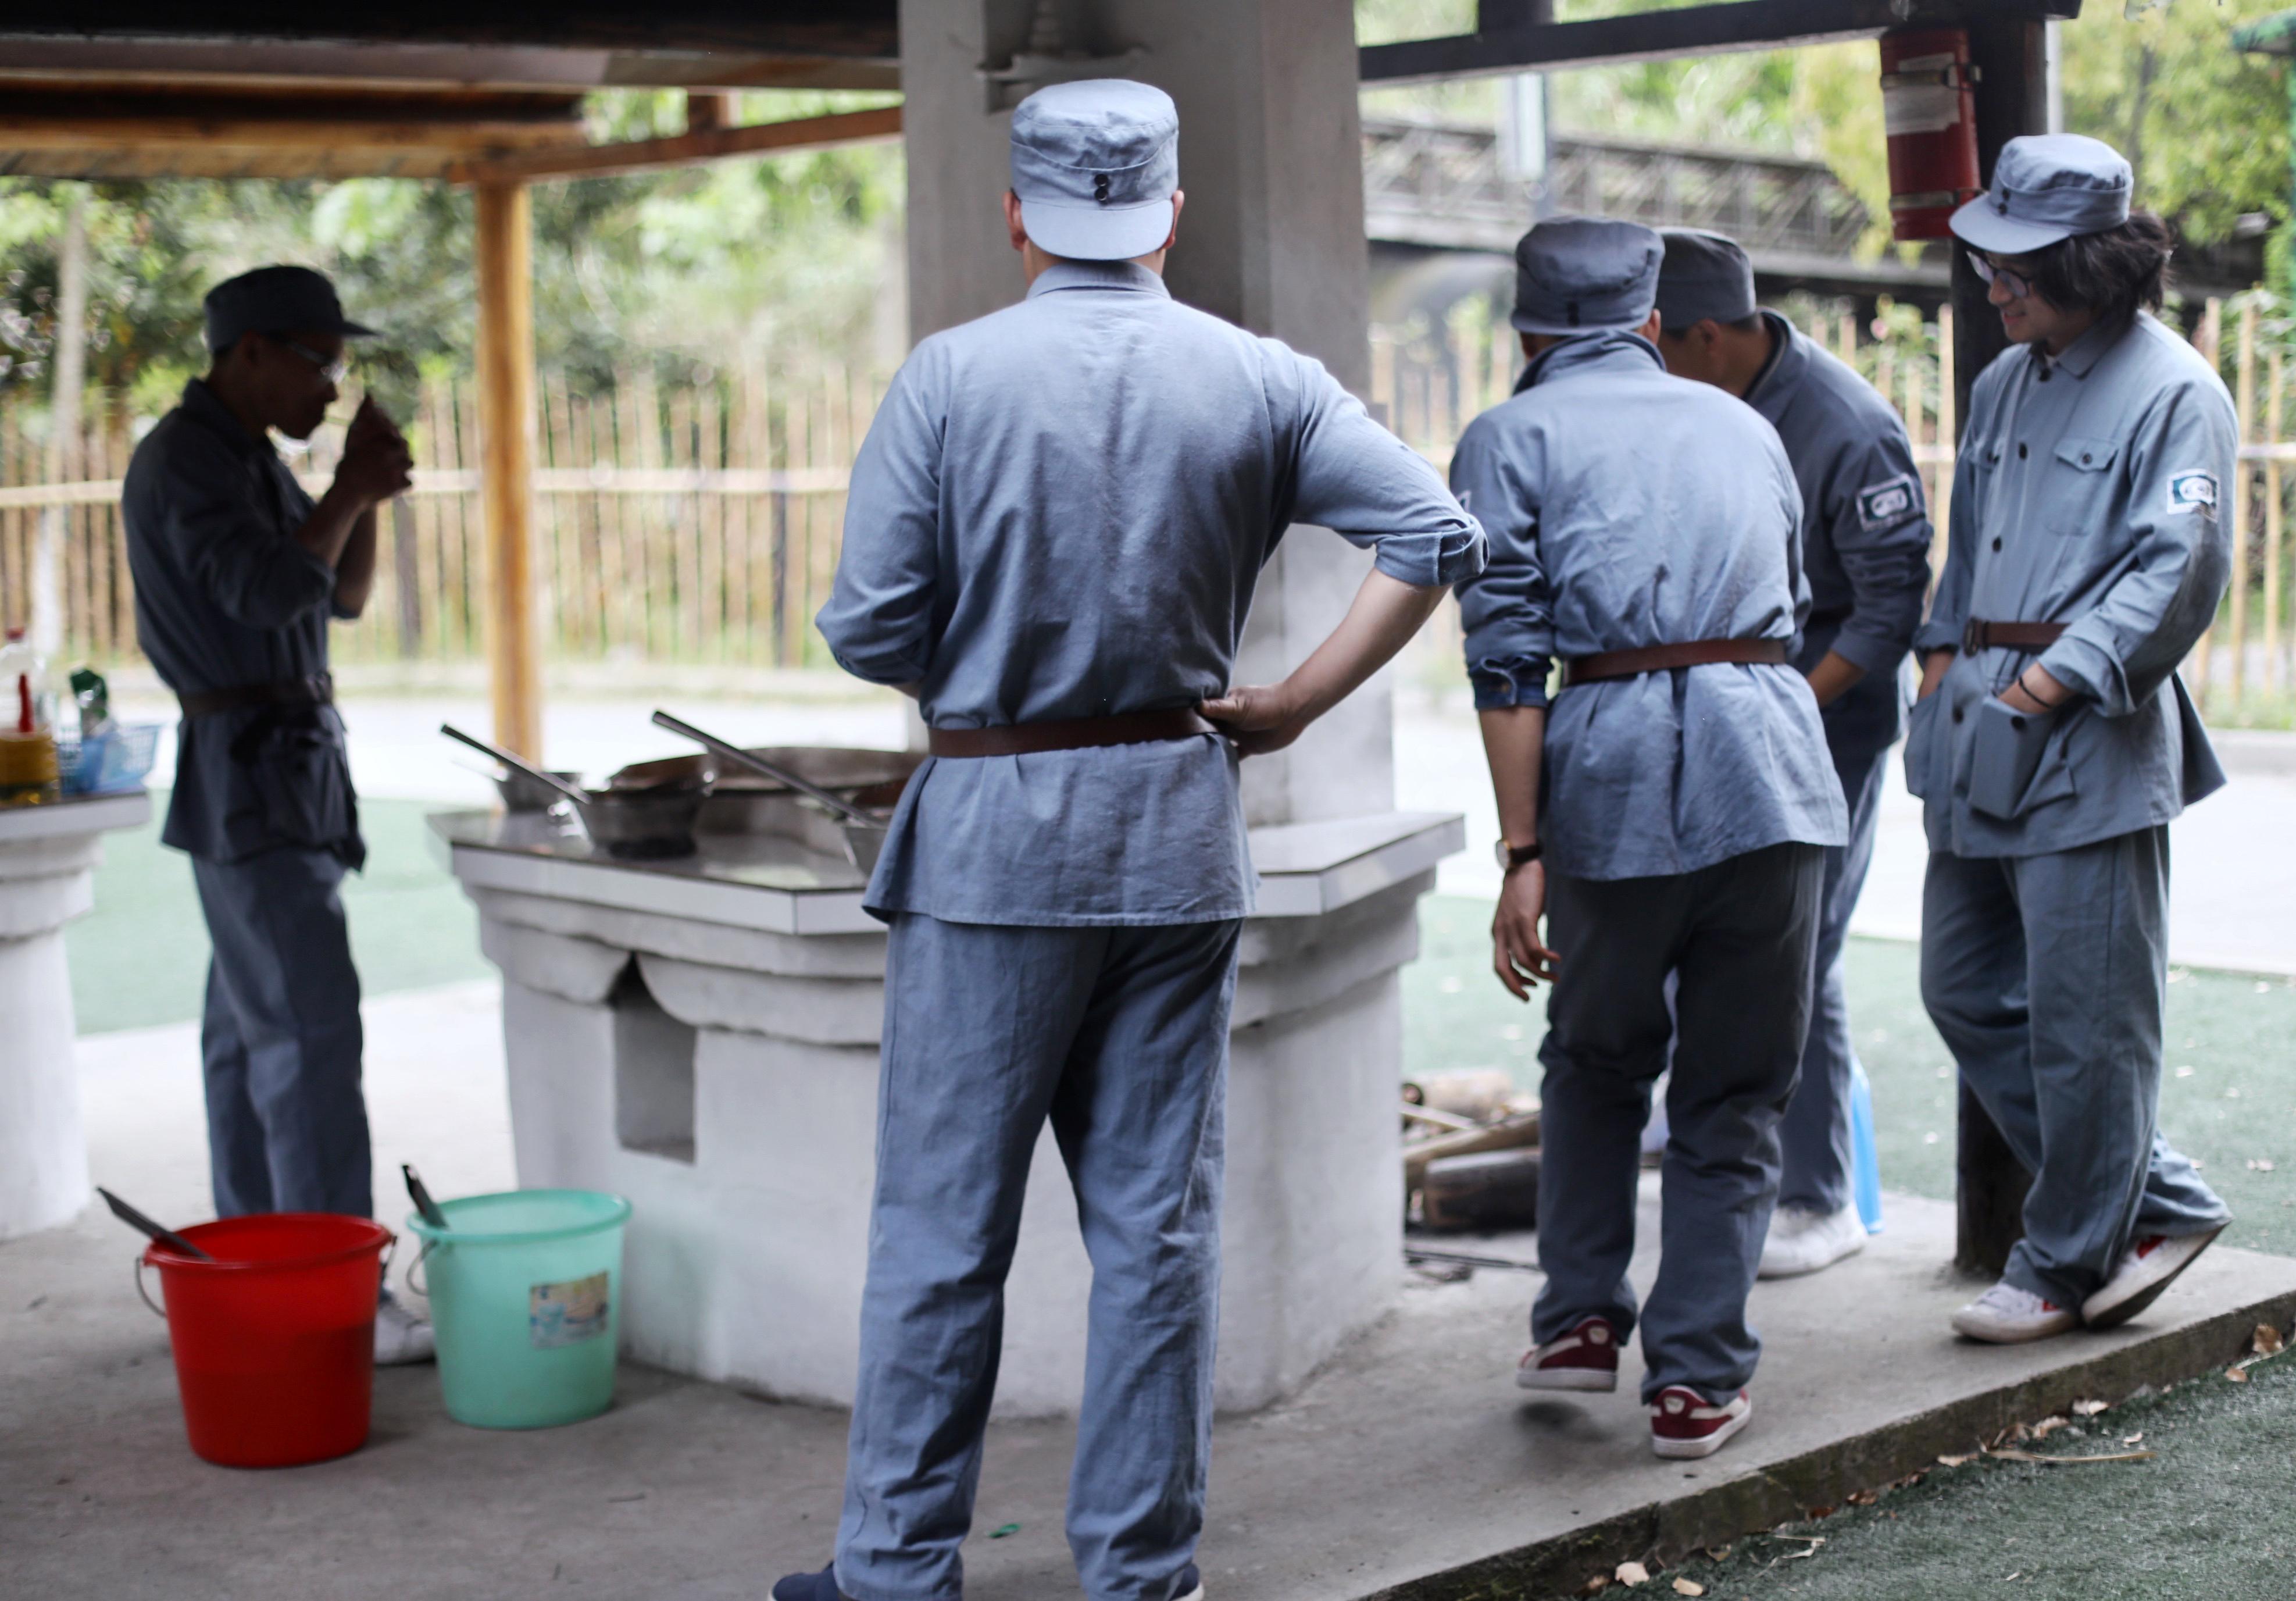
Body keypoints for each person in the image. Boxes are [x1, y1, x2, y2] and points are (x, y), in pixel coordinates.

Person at [782, 80, 1482, 1601]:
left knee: (943, 1235)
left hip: (992, 852)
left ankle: (895, 1572)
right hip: (1175, 841)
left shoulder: (949, 379)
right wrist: (1289, 702)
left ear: (1018, 218)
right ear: (1168, 213)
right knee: (1155, 1238)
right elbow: (1437, 535)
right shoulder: (1262, 376)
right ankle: (1141, 1576)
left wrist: (997, 658)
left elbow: (869, 630)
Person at [1454, 216, 1846, 1460]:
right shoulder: (1743, 424)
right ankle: (1696, 1380)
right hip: (1773, 771)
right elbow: (1792, 598)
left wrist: (1522, 854)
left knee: (1595, 1057)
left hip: (1609, 771)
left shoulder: (1506, 437)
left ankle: (1578, 1317)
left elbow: (1506, 661)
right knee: (1736, 1091)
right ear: (1648, 321)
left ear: (1526, 331)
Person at [1908, 133, 2234, 1344]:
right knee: (1960, 985)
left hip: (2087, 730)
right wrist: (1940, 664)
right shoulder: (2005, 381)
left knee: (2088, 1021)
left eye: (2016, 267)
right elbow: (1970, 538)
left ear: (2090, 268)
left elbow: (2178, 570)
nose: (1991, 285)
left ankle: (2060, 1258)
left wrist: (2044, 689)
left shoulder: (2176, 391)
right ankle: (2162, 1199)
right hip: (1978, 714)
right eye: (1985, 262)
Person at [120, 266, 429, 1364]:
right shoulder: (185, 462)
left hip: (281, 767)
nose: (332, 387)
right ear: (248, 350)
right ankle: (337, 1299)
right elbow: (263, 592)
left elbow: (335, 591)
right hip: (250, 772)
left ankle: (258, 1269)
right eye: (318, 362)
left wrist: (366, 497)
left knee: (252, 1037)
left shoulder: (244, 456)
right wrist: (346, 488)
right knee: (306, 1035)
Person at [1653, 231, 1934, 1278]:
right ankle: (1715, 1131)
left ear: (1708, 335)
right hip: (1721, 713)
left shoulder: (1846, 427)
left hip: (1826, 722)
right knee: (1698, 930)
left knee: (1798, 951)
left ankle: (1822, 1196)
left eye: (1656, 345)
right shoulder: (1693, 400)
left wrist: (1784, 705)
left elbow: (1889, 610)